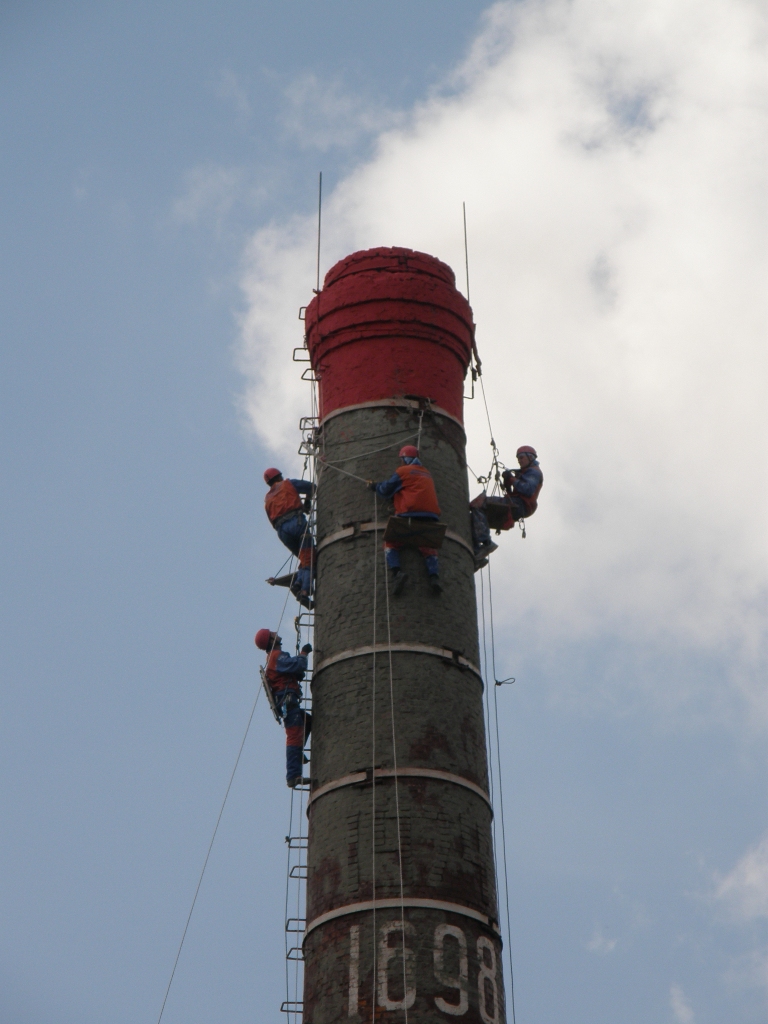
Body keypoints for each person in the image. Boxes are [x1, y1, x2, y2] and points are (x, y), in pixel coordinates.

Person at [366, 445, 443, 595]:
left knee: (391, 543)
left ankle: (397, 573)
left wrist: (375, 486)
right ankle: (434, 577)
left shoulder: (403, 472)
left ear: (405, 459)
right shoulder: (427, 473)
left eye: (402, 459)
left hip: (409, 514)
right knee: (428, 547)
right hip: (430, 517)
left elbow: (386, 489)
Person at [255, 629, 313, 788]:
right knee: (294, 735)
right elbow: (298, 665)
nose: (275, 632)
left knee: (307, 721)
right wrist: (304, 653)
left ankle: (298, 753)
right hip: (288, 703)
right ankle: (293, 776)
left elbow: (288, 672)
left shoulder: (273, 658)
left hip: (287, 702)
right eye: (272, 633)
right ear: (271, 639)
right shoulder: (276, 657)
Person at [471, 446, 543, 566]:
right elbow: (513, 493)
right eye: (518, 458)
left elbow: (527, 490)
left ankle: (486, 543)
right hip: (517, 504)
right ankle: (478, 553)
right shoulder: (525, 473)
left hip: (520, 505)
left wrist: (512, 479)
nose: (519, 461)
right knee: (473, 518)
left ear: (530, 457)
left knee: (479, 504)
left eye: (521, 457)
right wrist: (508, 483)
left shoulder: (534, 472)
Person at [263, 468, 316, 606]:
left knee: (305, 558)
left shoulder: (268, 500)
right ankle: (304, 591)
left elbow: (275, 518)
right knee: (309, 557)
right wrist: (307, 501)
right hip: (296, 523)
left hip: (283, 532)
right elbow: (311, 487)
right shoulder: (288, 484)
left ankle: (297, 583)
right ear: (279, 476)